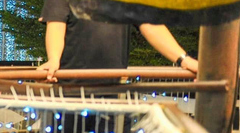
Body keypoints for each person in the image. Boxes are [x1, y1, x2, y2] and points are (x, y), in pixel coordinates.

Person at [39, 0, 198, 82]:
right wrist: (53, 59)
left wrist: (183, 59)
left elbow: (151, 25)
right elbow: (56, 26)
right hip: (69, 91)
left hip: (113, 90)